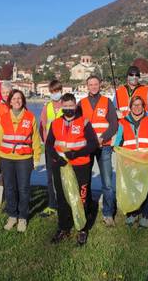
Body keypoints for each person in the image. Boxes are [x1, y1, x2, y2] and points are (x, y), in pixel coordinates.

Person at [46, 93, 98, 246]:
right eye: (66, 106)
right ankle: (63, 228)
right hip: (61, 166)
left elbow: (92, 144)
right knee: (62, 197)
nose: (69, 109)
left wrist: (76, 153)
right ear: (61, 107)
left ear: (76, 106)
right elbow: (49, 145)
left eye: (71, 106)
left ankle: (82, 229)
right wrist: (57, 158)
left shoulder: (84, 122)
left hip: (81, 164)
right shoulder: (55, 123)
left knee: (81, 197)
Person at [0, 89, 42, 232]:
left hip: (24, 159)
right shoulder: (4, 117)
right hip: (6, 159)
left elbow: (36, 140)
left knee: (24, 189)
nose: (16, 101)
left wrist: (37, 158)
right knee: (9, 188)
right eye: (13, 98)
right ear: (9, 101)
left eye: (19, 98)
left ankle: (22, 217)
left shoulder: (30, 117)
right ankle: (12, 215)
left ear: (23, 100)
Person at [114, 95, 148, 228]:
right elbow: (119, 139)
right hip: (129, 161)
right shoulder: (123, 122)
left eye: (140, 105)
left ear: (143, 106)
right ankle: (133, 213)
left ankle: (146, 215)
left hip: (145, 161)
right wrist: (115, 147)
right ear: (130, 107)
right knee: (131, 188)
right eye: (134, 105)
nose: (137, 107)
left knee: (146, 188)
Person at [78, 75, 118, 226]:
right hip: (87, 147)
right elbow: (77, 124)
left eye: (96, 84)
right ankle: (87, 209)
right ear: (87, 86)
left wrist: (102, 138)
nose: (93, 86)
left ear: (100, 85)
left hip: (104, 146)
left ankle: (108, 213)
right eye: (90, 84)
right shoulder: (80, 104)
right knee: (85, 181)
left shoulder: (107, 102)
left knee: (107, 182)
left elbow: (114, 124)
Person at [38, 79, 64, 217]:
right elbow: (41, 126)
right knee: (50, 177)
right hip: (50, 149)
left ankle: (65, 204)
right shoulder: (46, 107)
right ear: (50, 92)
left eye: (57, 91)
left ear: (61, 91)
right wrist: (45, 142)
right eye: (53, 91)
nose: (55, 93)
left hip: (63, 148)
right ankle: (52, 205)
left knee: (64, 177)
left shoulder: (67, 106)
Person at [0, 81, 12, 185]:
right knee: (1, 165)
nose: (6, 95)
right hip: (1, 139)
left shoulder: (16, 104)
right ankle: (2, 185)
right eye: (4, 92)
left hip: (13, 140)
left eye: (8, 92)